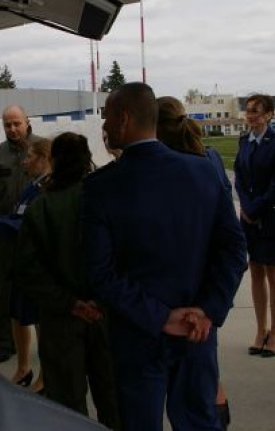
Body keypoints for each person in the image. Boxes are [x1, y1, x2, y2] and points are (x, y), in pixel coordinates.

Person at [82, 83, 247, 431]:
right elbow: (233, 250)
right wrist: (207, 310)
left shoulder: (101, 187)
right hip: (197, 331)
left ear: (124, 119)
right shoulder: (203, 171)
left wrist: (160, 318)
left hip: (138, 335)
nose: (105, 126)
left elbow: (100, 273)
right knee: (199, 421)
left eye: (107, 117)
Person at [16, 133, 121, 429]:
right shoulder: (108, 200)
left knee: (67, 408)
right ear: (87, 159)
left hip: (61, 321)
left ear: (54, 160)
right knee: (114, 401)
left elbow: (28, 271)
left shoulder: (41, 207)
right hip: (107, 315)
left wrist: (70, 304)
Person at [156, 95, 232, 430]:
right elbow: (229, 239)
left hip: (178, 298)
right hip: (206, 292)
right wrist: (211, 307)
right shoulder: (209, 159)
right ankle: (217, 406)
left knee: (188, 390)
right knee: (202, 377)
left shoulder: (169, 169)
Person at [0, 138, 50, 392]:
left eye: (30, 157)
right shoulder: (32, 187)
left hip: (38, 265)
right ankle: (23, 368)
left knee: (40, 320)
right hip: (22, 261)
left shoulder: (47, 189)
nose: (25, 161)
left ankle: (45, 376)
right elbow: (18, 216)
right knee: (18, 314)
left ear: (44, 159)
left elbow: (30, 224)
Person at [0, 105, 43, 363]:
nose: (12, 129)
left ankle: (46, 342)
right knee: (6, 287)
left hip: (37, 235)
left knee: (39, 288)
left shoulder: (42, 148)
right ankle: (6, 344)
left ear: (27, 121)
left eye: (17, 123)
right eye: (7, 124)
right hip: (7, 232)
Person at [234, 93, 275, 358]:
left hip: (271, 216)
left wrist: (256, 208)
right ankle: (261, 330)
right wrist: (246, 207)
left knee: (273, 272)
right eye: (248, 111)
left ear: (269, 114)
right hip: (248, 217)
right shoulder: (244, 140)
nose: (251, 116)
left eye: (256, 111)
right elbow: (239, 177)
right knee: (255, 270)